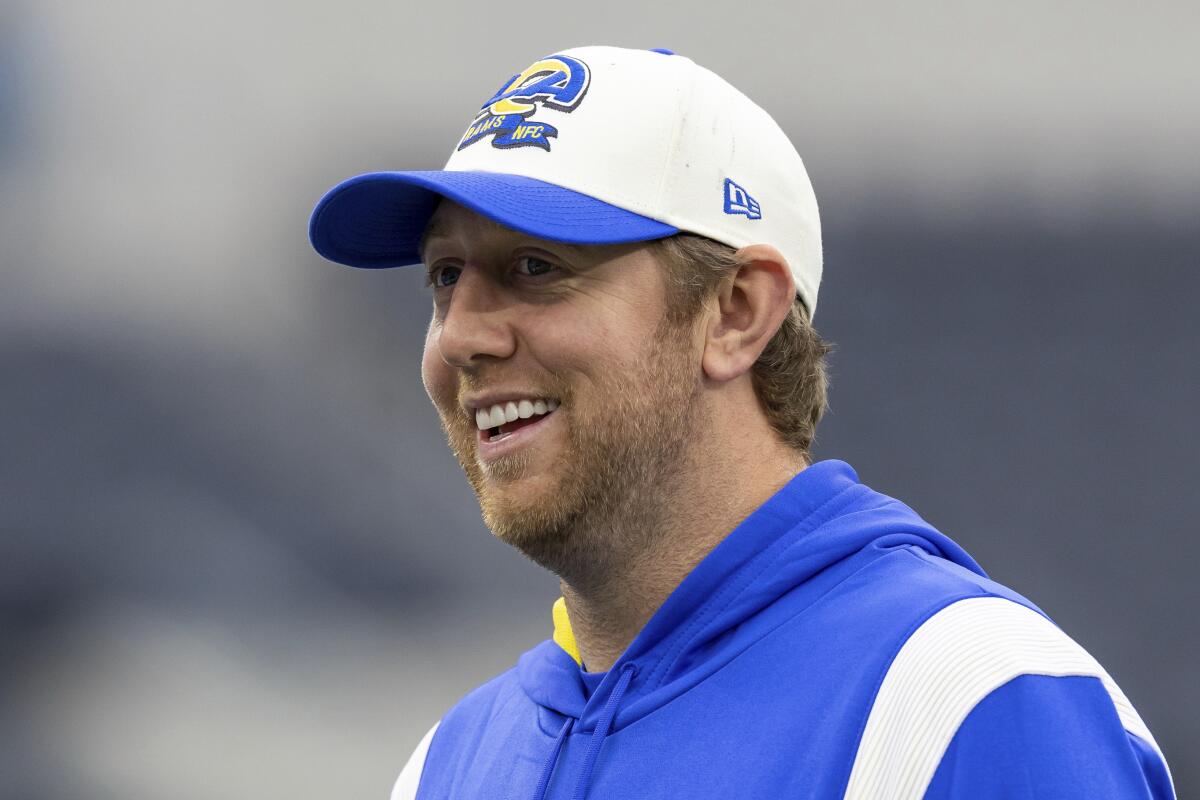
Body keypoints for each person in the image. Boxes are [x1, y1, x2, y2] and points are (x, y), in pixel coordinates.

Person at [308, 45, 1174, 800]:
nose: (460, 336)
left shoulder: (972, 701)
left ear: (734, 313)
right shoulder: (447, 765)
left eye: (536, 267)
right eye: (444, 278)